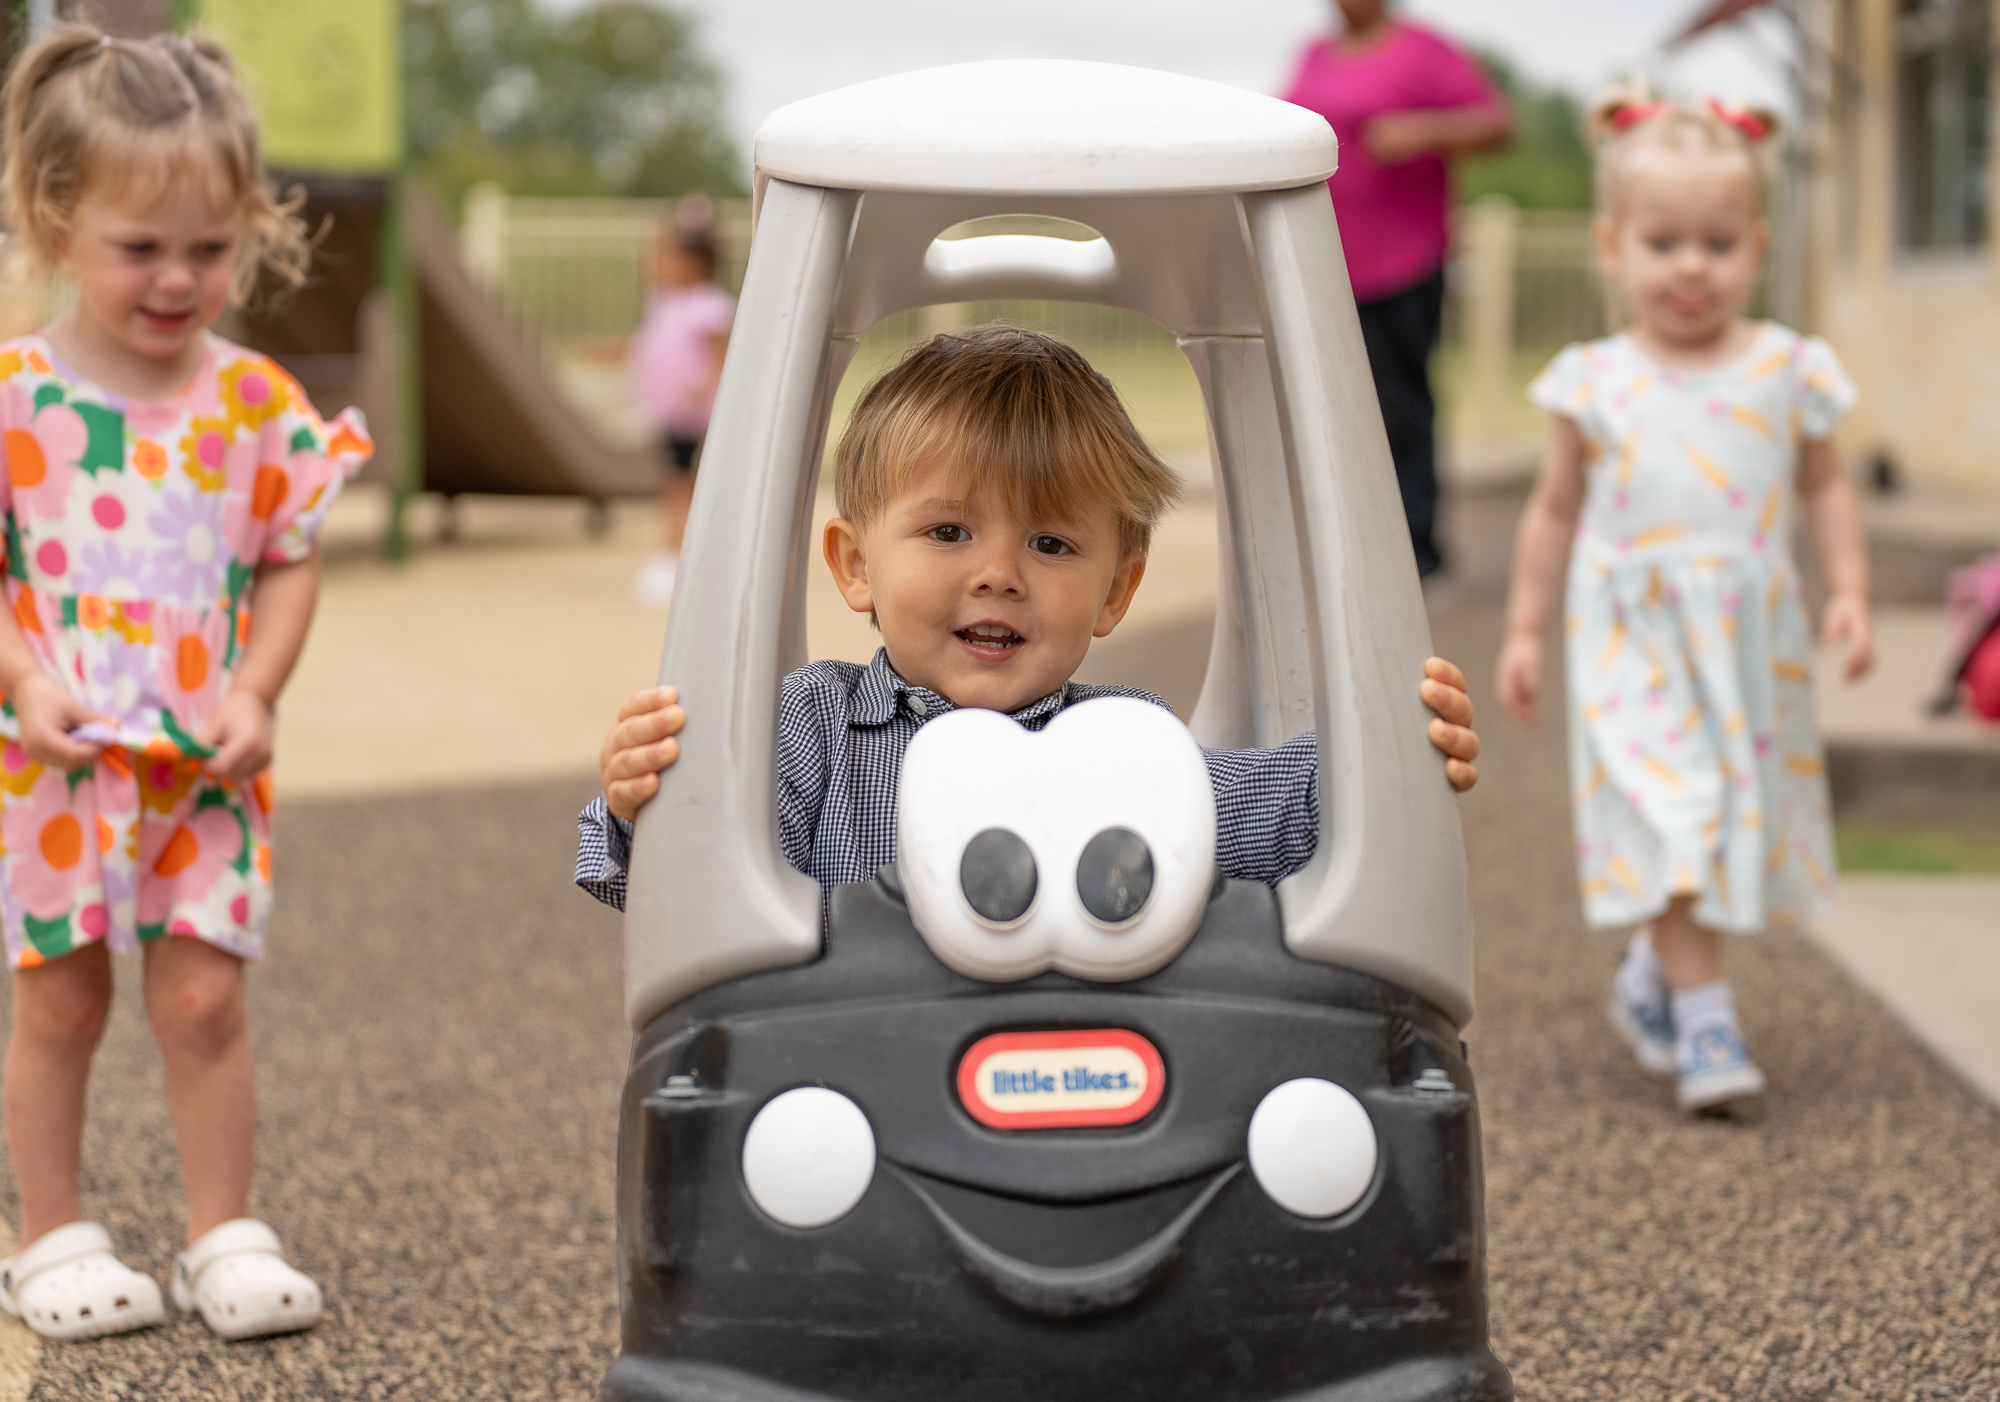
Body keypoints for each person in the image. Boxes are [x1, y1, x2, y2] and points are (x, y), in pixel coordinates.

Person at [574, 325, 1481, 918]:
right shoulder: (811, 727)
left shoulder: (1125, 744)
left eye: (1050, 545)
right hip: (846, 1095)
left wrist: (1397, 745)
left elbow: (1274, 810)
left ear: (1116, 592)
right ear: (856, 565)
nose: (998, 575)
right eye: (949, 532)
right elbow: (685, 879)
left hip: (1079, 1106)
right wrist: (639, 805)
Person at [0, 26, 370, 1339]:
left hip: (206, 761)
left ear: (250, 227)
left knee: (207, 994)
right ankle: (50, 1233)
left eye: (207, 249)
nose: (177, 278)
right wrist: (20, 675)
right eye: (139, 248)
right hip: (57, 762)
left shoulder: (258, 405)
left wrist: (261, 689)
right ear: (56, 222)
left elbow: (287, 559)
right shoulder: (15, 400)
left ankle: (222, 1229)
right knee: (61, 991)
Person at [1494, 93, 1873, 1115]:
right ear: (1611, 248)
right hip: (1631, 637)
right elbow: (1552, 509)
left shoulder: (1786, 369)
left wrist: (1847, 588)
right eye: (1663, 242)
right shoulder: (1593, 380)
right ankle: (1707, 1026)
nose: (1690, 266)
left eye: (1715, 242)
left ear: (1755, 245)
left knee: (1720, 829)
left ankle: (1650, 976)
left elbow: (1826, 484)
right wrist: (1525, 629)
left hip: (1746, 642)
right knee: (1675, 811)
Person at [1282, 0, 1512, 579]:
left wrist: (1424, 129)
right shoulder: (1314, 55)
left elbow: (1497, 124)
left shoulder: (1424, 49)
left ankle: (1416, 551)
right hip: (1325, 261)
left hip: (1404, 261)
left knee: (1399, 404)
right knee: (1328, 404)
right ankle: (1346, 544)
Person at [628, 200, 733, 607]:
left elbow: (722, 357)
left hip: (697, 418)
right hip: (671, 414)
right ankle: (674, 552)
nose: (654, 264)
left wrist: (703, 388)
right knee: (673, 483)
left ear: (695, 263)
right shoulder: (662, 302)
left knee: (686, 485)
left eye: (664, 256)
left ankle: (683, 555)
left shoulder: (709, 306)